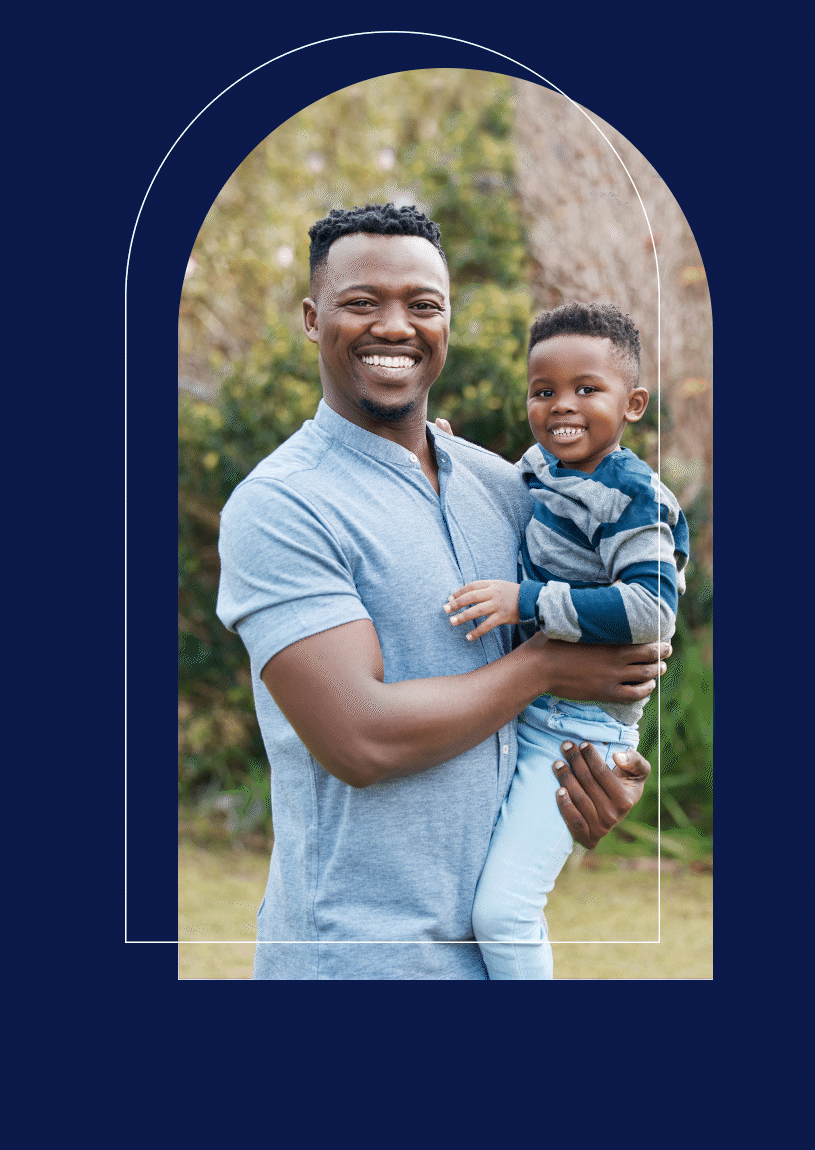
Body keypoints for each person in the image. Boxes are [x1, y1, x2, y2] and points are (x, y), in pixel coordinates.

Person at [214, 204, 669, 979]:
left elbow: (609, 647)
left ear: (447, 321)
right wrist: (547, 667)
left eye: (423, 304)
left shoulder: (507, 488)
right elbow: (360, 740)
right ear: (312, 318)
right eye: (363, 302)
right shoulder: (283, 506)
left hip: (492, 958)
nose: (396, 326)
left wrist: (593, 774)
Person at [442, 302, 688, 978]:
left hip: (579, 734)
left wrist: (525, 601)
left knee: (505, 913)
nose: (561, 406)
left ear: (632, 404)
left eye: (586, 388)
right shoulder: (545, 467)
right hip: (521, 709)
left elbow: (652, 609)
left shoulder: (633, 496)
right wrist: (446, 450)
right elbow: (505, 484)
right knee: (464, 901)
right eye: (543, 390)